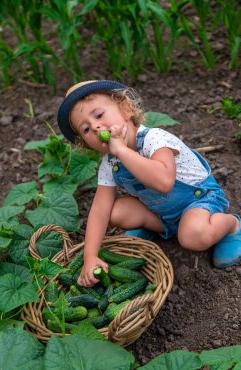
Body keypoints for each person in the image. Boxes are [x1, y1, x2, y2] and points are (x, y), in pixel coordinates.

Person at [57, 79, 241, 287]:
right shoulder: (110, 163)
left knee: (193, 237)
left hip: (198, 201)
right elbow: (100, 210)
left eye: (99, 115)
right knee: (116, 213)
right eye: (86, 129)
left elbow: (164, 182)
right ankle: (160, 227)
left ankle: (232, 225)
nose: (96, 126)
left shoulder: (155, 139)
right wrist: (90, 256)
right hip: (163, 212)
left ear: (126, 109)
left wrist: (122, 150)